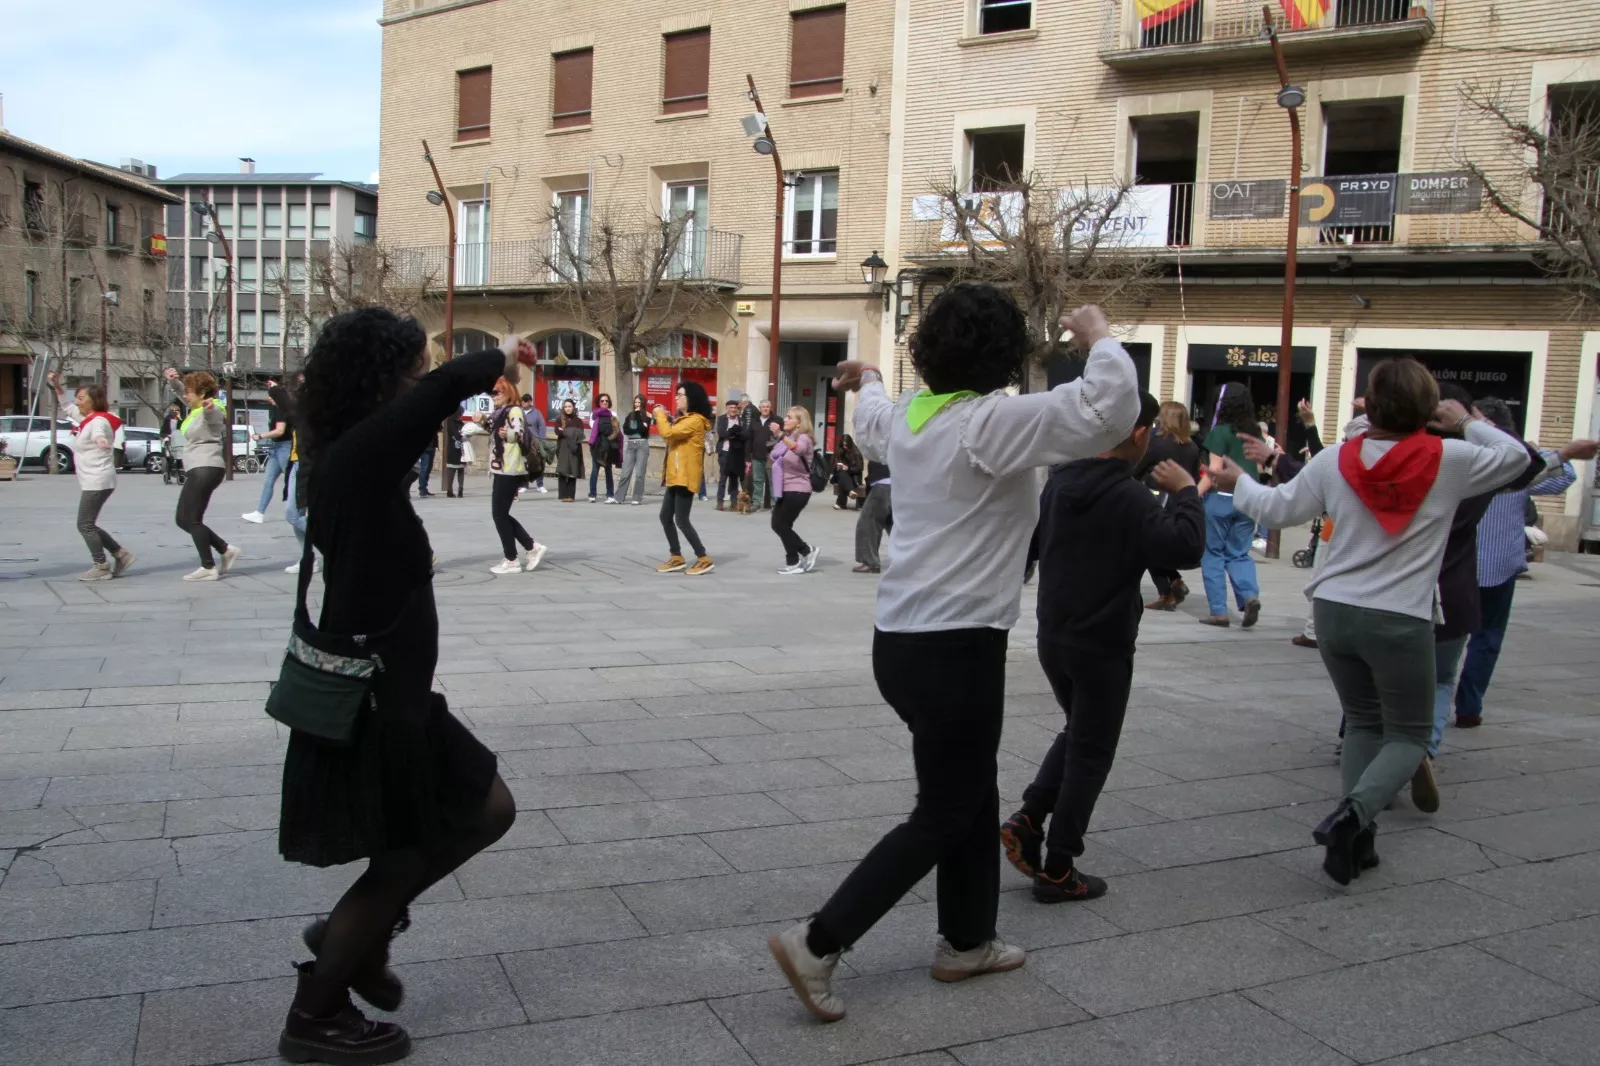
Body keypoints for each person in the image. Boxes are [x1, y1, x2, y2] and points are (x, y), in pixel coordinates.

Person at [766, 286, 1140, 1024]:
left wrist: (866, 376)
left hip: (901, 642)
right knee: (944, 808)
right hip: (957, 646)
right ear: (1003, 358)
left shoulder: (913, 415)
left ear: (929, 352)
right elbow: (1107, 410)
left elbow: (871, 419)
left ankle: (967, 941)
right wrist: (1098, 335)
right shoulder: (990, 421)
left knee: (969, 790)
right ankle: (818, 941)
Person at [277, 311, 524, 1064]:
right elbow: (433, 401)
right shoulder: (355, 460)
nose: (418, 383)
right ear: (382, 379)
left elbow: (420, 411)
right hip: (379, 706)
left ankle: (359, 937)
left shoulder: (352, 458)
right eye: (409, 370)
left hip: (402, 699)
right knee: (405, 858)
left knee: (487, 810)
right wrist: (495, 358)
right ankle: (316, 1012)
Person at [1217, 358, 1528, 885]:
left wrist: (1235, 480)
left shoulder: (1337, 459)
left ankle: (1359, 842)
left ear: (1372, 405)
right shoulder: (1453, 458)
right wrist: (1464, 419)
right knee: (1407, 734)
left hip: (1335, 611)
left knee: (1363, 721)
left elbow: (1275, 509)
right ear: (1429, 407)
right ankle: (1352, 817)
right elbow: (1516, 457)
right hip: (1399, 616)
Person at [1001, 393, 1204, 901]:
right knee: (1093, 751)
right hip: (1103, 642)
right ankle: (1059, 868)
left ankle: (1029, 818)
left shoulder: (1060, 483)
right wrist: (1186, 492)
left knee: (1079, 731)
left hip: (1055, 636)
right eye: (1150, 432)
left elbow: (1031, 545)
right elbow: (1186, 547)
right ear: (1136, 435)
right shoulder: (1129, 497)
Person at [1453, 398, 1594, 732]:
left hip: (1455, 565)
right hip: (1497, 565)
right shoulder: (1519, 464)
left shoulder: (1460, 460)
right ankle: (1469, 707)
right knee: (1486, 638)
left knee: (1444, 638)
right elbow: (1564, 476)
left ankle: (1435, 701)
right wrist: (1538, 449)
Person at [1195, 382, 1263, 627]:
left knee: (1212, 553)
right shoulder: (1255, 433)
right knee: (1239, 553)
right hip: (1249, 499)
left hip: (1221, 499)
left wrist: (1193, 494)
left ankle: (1219, 611)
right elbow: (1260, 468)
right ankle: (1249, 595)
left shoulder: (1220, 432)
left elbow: (1213, 470)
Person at [55, 380, 135, 581]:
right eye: (78, 397)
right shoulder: (88, 419)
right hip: (94, 479)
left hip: (97, 479)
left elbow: (100, 432)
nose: (78, 402)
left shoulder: (98, 421)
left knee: (85, 524)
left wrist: (101, 441)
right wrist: (57, 388)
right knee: (89, 523)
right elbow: (68, 408)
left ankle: (101, 565)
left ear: (94, 401)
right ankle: (120, 554)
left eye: (82, 398)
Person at [164, 368, 239, 582]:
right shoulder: (195, 408)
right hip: (201, 468)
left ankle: (208, 566)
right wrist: (174, 381)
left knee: (191, 519)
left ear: (203, 394)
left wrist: (209, 408)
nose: (186, 395)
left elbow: (215, 416)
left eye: (190, 392)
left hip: (205, 467)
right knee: (183, 519)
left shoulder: (212, 407)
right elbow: (183, 394)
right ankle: (225, 550)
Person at [1133, 400, 1200, 610]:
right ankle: (1170, 588)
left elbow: (1137, 469)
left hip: (1157, 498)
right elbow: (1194, 476)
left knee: (1146, 544)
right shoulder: (1193, 447)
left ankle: (1170, 585)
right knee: (1158, 545)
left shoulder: (1157, 444)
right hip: (1180, 499)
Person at [486, 378, 548, 575]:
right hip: (502, 468)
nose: (493, 396)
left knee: (499, 514)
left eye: (496, 392)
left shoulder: (514, 410)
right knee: (500, 514)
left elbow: (518, 432)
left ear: (508, 392)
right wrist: (479, 420)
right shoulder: (498, 413)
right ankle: (530, 548)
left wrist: (508, 434)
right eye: (491, 393)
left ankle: (513, 558)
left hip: (510, 467)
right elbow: (489, 428)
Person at [653, 383, 715, 575]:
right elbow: (670, 438)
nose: (676, 398)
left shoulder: (695, 420)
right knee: (665, 516)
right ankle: (676, 556)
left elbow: (668, 433)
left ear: (691, 399)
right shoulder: (683, 419)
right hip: (675, 474)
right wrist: (665, 420)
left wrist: (660, 416)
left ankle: (703, 557)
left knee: (681, 519)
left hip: (685, 476)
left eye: (680, 395)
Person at [770, 407, 820, 575]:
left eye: (789, 417)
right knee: (779, 525)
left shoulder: (804, 438)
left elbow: (798, 449)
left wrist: (780, 435)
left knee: (780, 524)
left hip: (798, 489)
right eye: (786, 416)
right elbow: (774, 455)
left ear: (800, 423)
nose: (785, 419)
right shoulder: (789, 438)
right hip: (786, 488)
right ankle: (799, 556)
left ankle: (801, 554)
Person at [243, 385, 294, 521]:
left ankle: (301, 510)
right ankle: (259, 513)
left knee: (291, 480)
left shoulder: (281, 410)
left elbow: (279, 431)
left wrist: (260, 436)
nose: (268, 398)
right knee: (268, 481)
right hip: (276, 448)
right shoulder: (278, 409)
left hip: (284, 447)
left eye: (270, 395)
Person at [853, 459, 892, 574]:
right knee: (892, 523)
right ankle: (912, 559)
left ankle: (870, 561)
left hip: (883, 483)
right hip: (894, 482)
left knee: (868, 522)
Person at [618, 395, 653, 506]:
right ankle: (619, 497)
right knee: (625, 473)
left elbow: (644, 430)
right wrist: (637, 427)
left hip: (642, 444)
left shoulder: (646, 415)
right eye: (635, 402)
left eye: (639, 402)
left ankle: (637, 497)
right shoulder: (630, 415)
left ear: (643, 404)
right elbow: (626, 430)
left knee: (639, 474)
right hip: (631, 444)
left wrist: (637, 426)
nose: (637, 404)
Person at [587, 392, 620, 503]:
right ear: (598, 402)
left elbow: (616, 429)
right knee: (595, 470)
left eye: (606, 400)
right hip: (597, 445)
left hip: (609, 445)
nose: (604, 402)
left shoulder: (613, 414)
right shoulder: (594, 414)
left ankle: (610, 494)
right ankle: (592, 494)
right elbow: (592, 427)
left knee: (608, 470)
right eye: (602, 401)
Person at [715, 398, 745, 511]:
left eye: (735, 408)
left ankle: (733, 502)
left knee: (734, 478)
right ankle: (720, 502)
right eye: (731, 407)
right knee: (723, 477)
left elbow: (743, 435)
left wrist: (732, 433)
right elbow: (722, 433)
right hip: (724, 451)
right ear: (727, 408)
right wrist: (733, 432)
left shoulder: (741, 420)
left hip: (736, 452)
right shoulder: (722, 419)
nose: (733, 409)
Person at [749, 401, 779, 512]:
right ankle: (756, 502)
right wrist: (748, 455)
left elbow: (781, 437)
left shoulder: (777, 420)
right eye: (763, 407)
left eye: (767, 407)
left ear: (770, 408)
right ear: (760, 408)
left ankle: (774, 503)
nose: (765, 409)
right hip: (757, 455)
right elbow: (750, 439)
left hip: (772, 455)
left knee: (773, 480)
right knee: (757, 480)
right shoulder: (754, 421)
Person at [553, 399, 586, 502]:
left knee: (573, 470)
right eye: (566, 406)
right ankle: (563, 495)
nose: (567, 408)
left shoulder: (578, 421)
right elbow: (557, 432)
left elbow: (580, 434)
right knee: (563, 470)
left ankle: (570, 495)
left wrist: (565, 431)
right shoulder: (559, 419)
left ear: (573, 407)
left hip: (574, 448)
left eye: (569, 406)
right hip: (562, 447)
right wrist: (572, 432)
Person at [519, 395, 549, 494]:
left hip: (535, 441)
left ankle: (540, 485)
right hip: (523, 441)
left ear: (530, 402)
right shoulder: (519, 411)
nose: (523, 403)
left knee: (538, 463)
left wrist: (541, 440)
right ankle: (524, 484)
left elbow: (542, 426)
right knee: (524, 464)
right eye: (522, 401)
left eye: (525, 401)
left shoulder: (536, 413)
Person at [832, 435, 864, 510]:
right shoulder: (840, 450)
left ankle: (841, 503)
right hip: (842, 474)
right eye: (843, 445)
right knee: (842, 473)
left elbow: (859, 468)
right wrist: (837, 466)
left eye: (846, 445)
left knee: (842, 478)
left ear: (850, 444)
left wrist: (848, 469)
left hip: (854, 477)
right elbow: (833, 463)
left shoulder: (856, 452)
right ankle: (850, 492)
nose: (845, 447)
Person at [442, 413, 466, 498]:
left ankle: (460, 490)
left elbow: (465, 431)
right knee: (451, 470)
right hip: (452, 450)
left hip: (461, 450)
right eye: (460, 414)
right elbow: (455, 433)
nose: (461, 416)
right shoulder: (450, 421)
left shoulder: (460, 423)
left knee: (461, 470)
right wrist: (461, 435)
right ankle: (449, 491)